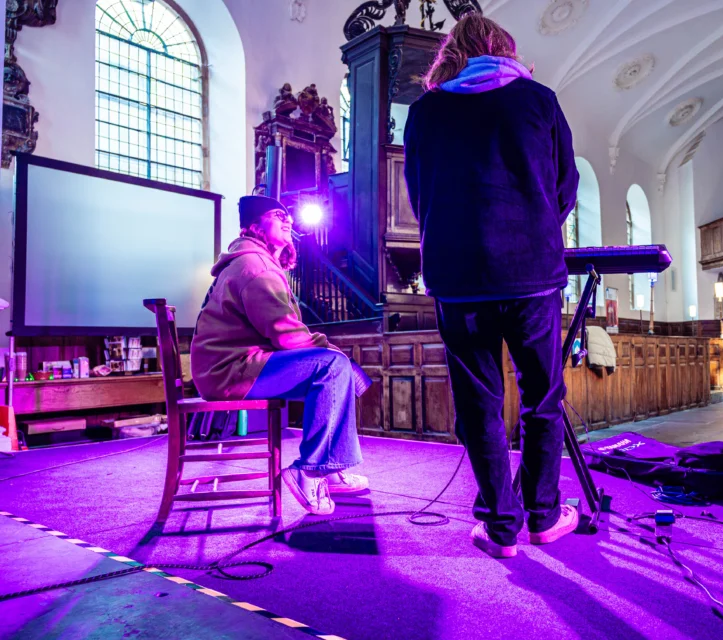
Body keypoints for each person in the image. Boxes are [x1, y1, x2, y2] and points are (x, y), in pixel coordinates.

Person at [403, 15, 580, 558]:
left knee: (478, 403)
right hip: (531, 272)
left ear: (451, 54)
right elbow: (565, 186)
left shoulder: (426, 111)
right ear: (505, 49)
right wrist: (532, 221)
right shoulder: (539, 101)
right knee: (543, 397)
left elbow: (418, 195)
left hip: (459, 277)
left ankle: (501, 527)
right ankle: (545, 517)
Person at [191, 195, 368, 516]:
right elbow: (286, 335)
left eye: (288, 216)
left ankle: (331, 467)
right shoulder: (255, 267)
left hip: (237, 366)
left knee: (335, 367)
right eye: (277, 215)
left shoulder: (255, 261)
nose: (288, 221)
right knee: (332, 367)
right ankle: (311, 469)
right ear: (254, 226)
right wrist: (333, 351)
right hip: (231, 371)